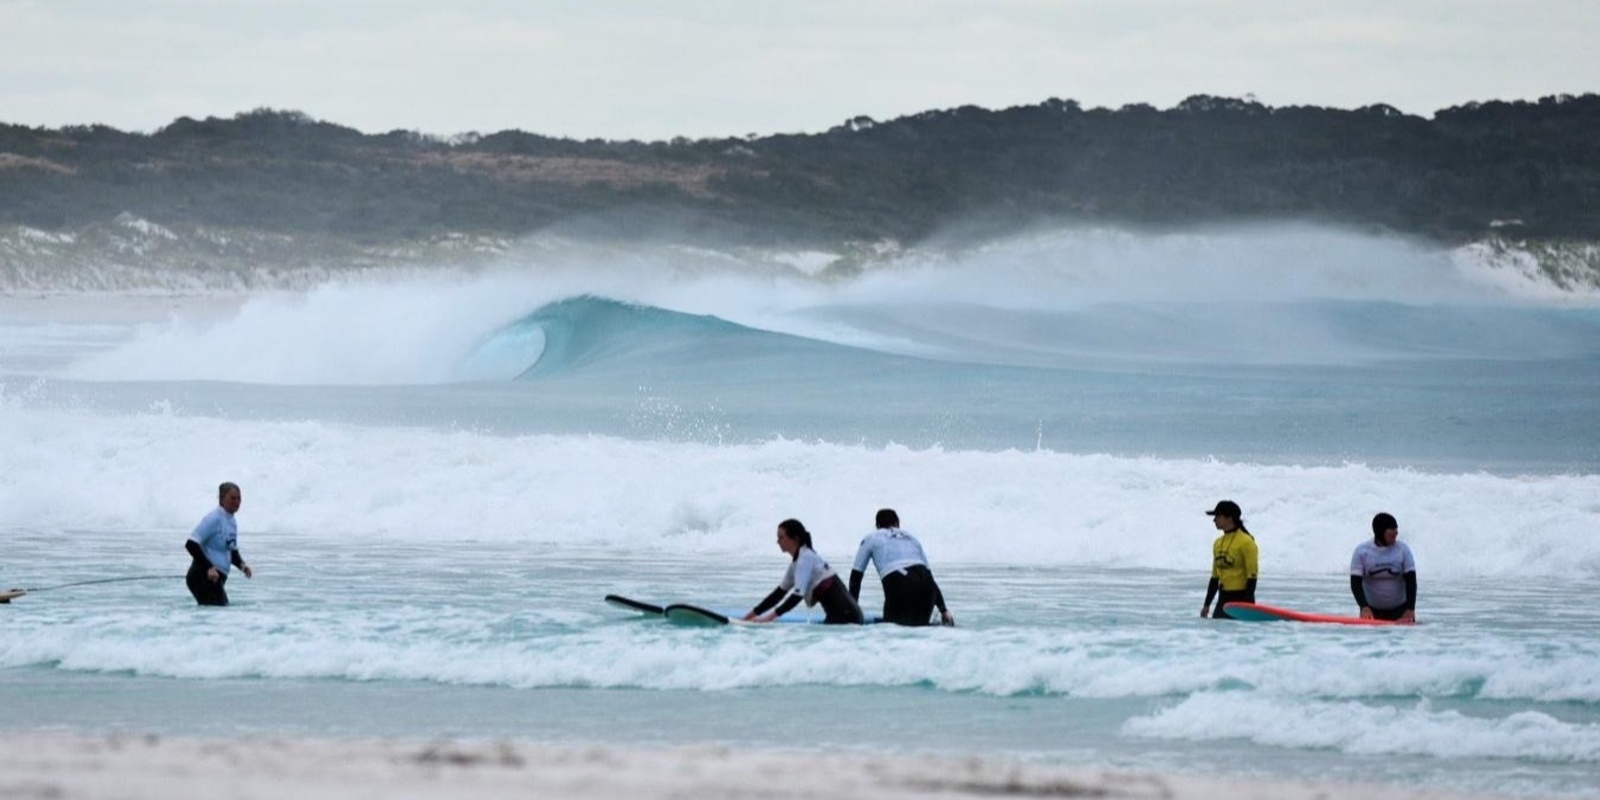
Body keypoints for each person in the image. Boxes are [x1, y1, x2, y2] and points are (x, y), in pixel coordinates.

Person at [743, 518, 863, 625]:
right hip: (845, 616)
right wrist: (748, 617)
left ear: (795, 539)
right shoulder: (797, 563)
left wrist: (768, 619)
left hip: (846, 618)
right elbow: (778, 595)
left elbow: (797, 596)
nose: (777, 541)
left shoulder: (805, 558)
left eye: (781, 537)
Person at [848, 508, 954, 626]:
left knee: (893, 632)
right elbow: (930, 578)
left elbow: (856, 577)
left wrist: (852, 612)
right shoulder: (912, 538)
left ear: (877, 525)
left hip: (900, 585)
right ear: (897, 524)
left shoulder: (871, 537)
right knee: (919, 629)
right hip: (928, 588)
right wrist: (943, 610)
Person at [184, 481, 253, 606]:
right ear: (222, 499)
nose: (237, 502)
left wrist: (242, 565)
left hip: (216, 578)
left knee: (217, 615)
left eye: (239, 498)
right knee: (220, 613)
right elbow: (191, 544)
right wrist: (209, 567)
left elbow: (231, 550)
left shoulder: (232, 521)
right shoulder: (213, 518)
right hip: (202, 576)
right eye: (232, 498)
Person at [1350, 512, 1417, 623]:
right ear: (1380, 532)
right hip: (1371, 613)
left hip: (1401, 612)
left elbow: (1411, 581)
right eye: (1392, 533)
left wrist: (1410, 609)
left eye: (1396, 532)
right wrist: (1364, 607)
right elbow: (1355, 583)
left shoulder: (1403, 550)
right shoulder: (1362, 552)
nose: (1395, 536)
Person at [1200, 499, 1257, 619]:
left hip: (1242, 600)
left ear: (1229, 518)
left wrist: (1247, 607)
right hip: (1223, 600)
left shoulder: (1246, 542)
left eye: (1218, 516)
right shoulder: (1218, 543)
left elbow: (1252, 577)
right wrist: (1207, 605)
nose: (1214, 520)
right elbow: (1215, 578)